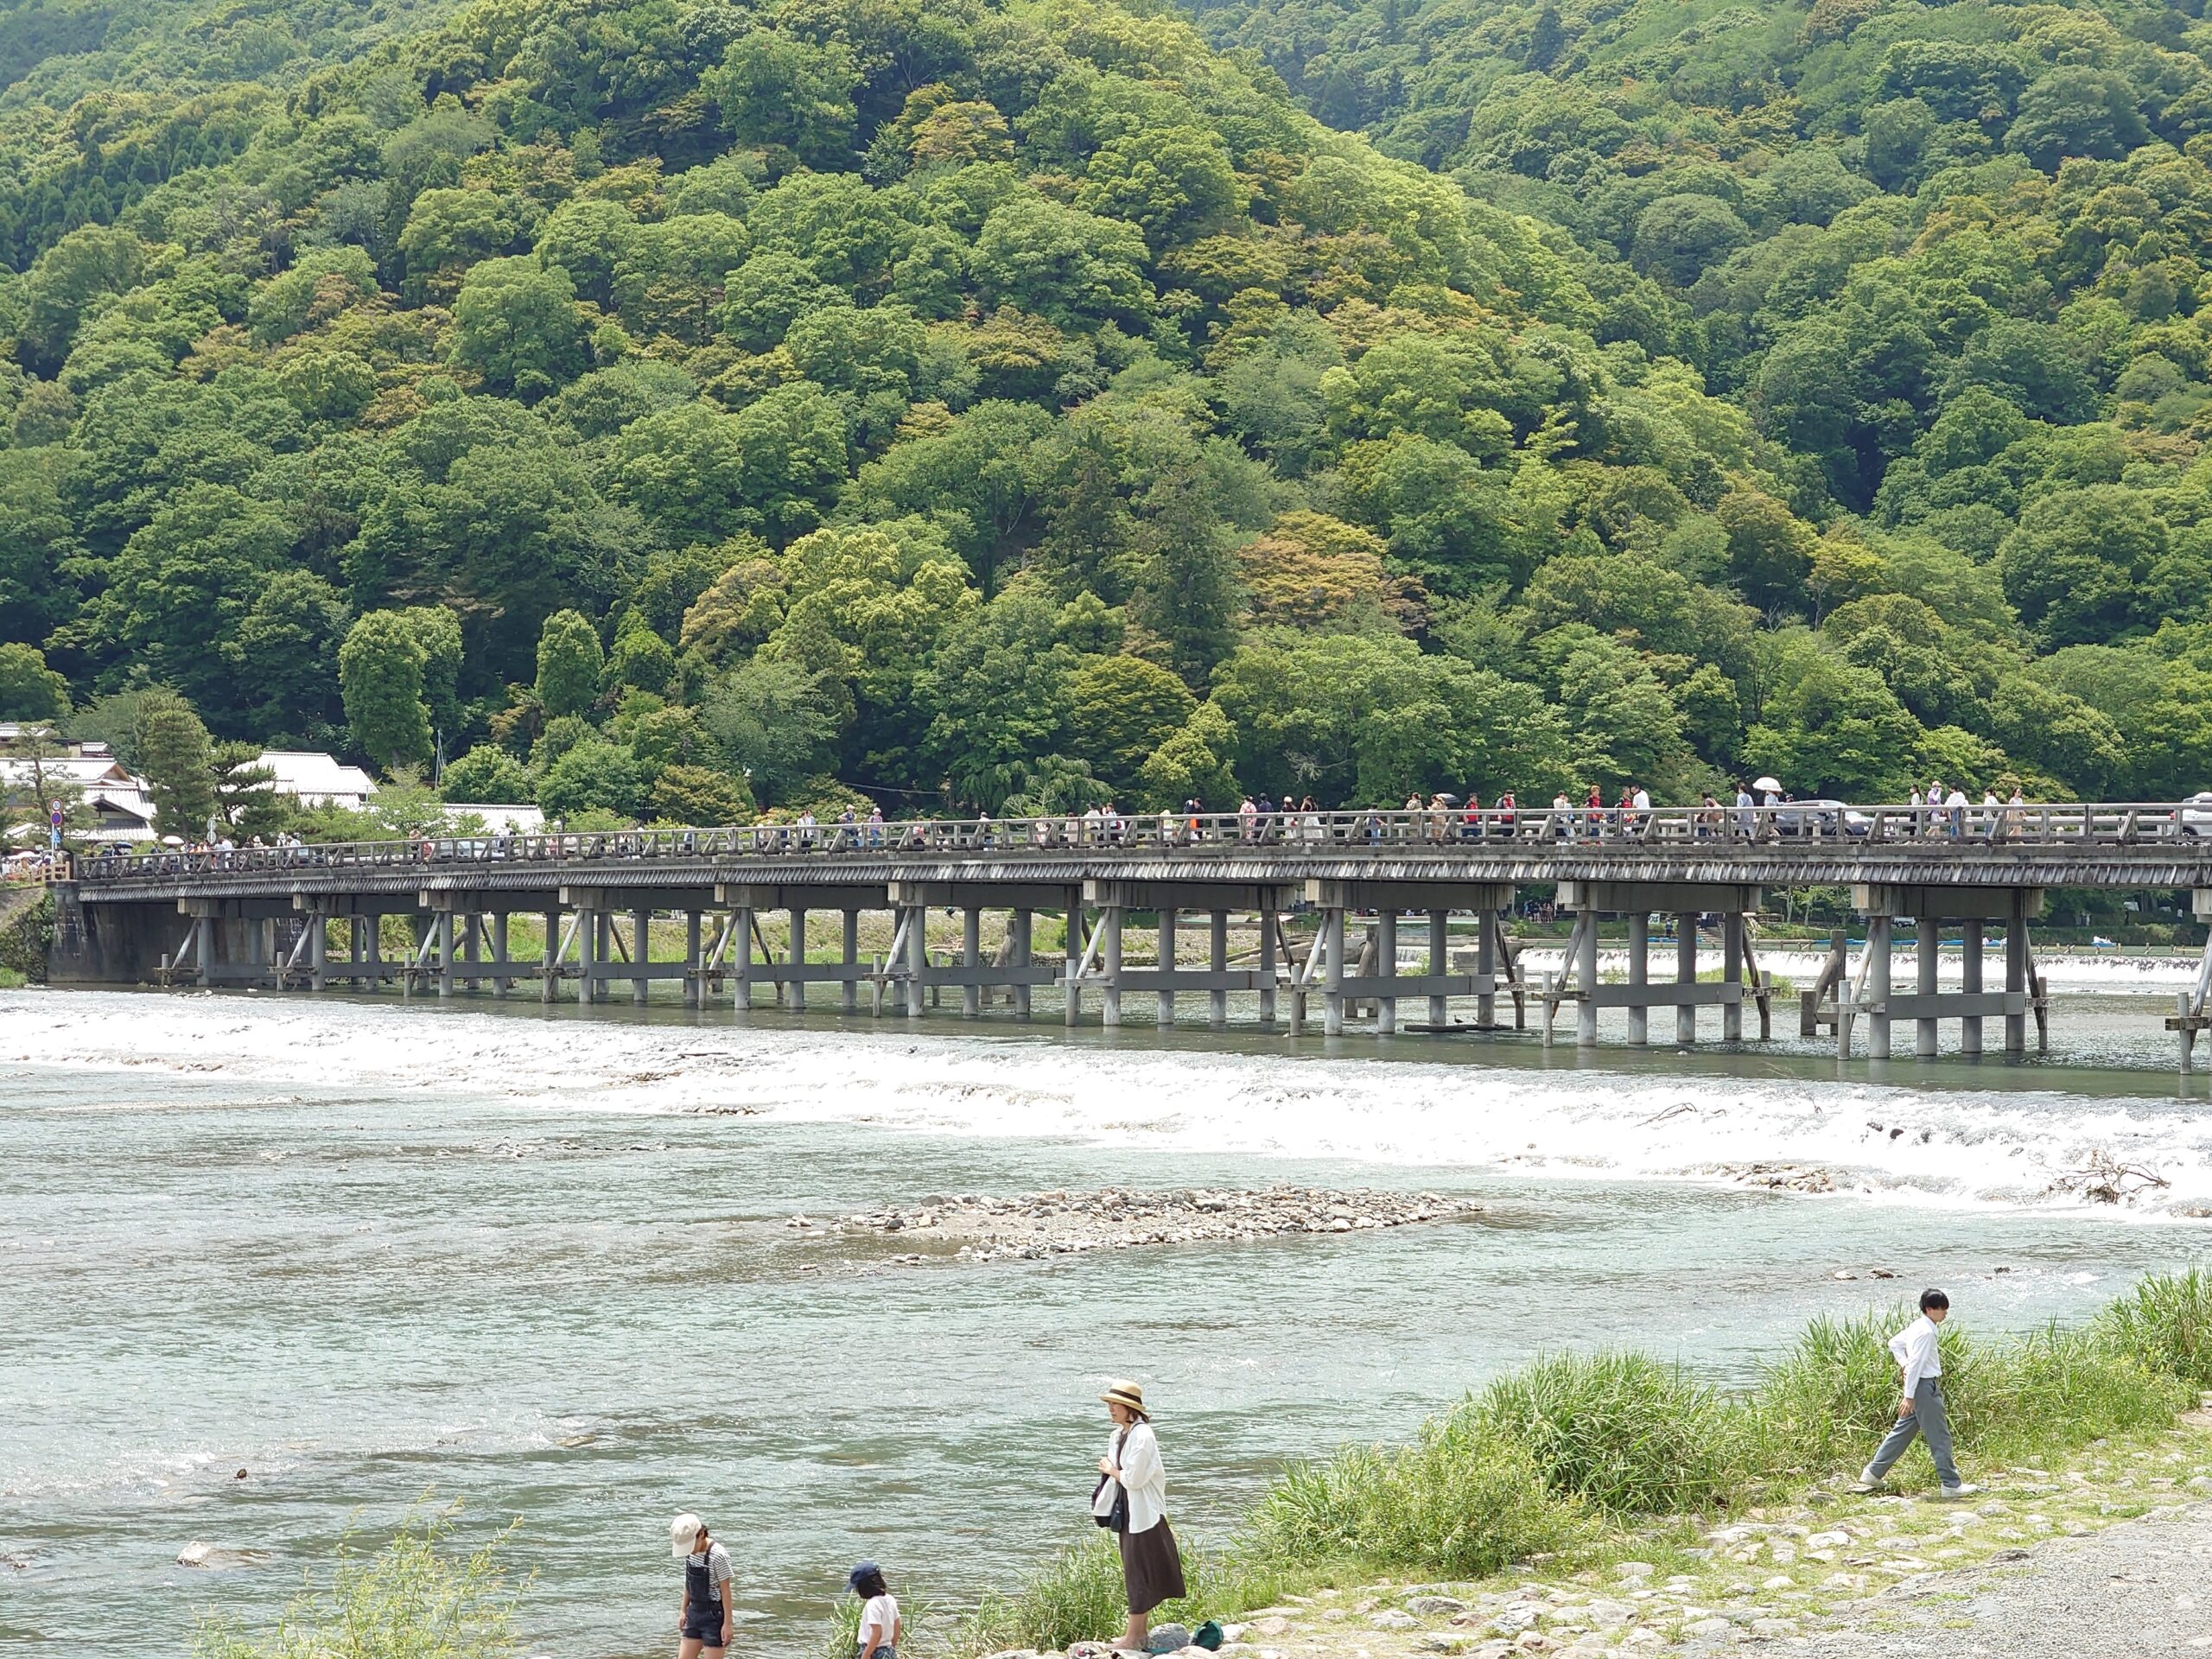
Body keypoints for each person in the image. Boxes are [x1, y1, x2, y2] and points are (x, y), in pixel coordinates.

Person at [1854, 1290, 1980, 1498]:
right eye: (1943, 1309)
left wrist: (1902, 1364)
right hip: (1923, 1389)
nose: (1946, 1313)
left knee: (1902, 1432)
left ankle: (1873, 1473)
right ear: (1930, 1309)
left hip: (1918, 1388)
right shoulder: (1926, 1332)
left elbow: (1894, 1343)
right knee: (1939, 1436)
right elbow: (1916, 1366)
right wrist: (1908, 1396)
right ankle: (1950, 1484)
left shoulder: (1918, 1325)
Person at [1093, 1380, 1184, 1652]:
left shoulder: (1143, 1436)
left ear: (1129, 1407)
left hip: (1144, 1514)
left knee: (1138, 1571)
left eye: (1114, 1404)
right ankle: (1138, 1633)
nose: (1110, 1408)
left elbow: (1133, 1479)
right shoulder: (1119, 1435)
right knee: (1135, 1569)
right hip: (1129, 1512)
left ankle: (1134, 1637)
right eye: (1109, 1404)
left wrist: (1111, 1470)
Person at [671, 1512, 734, 1658]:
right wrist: (683, 1610)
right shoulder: (690, 1554)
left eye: (690, 1546)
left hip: (713, 1617)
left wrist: (728, 1624)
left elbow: (726, 1592)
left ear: (702, 1534)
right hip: (694, 1613)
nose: (690, 1551)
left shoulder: (719, 1555)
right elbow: (688, 1583)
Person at [847, 1561, 899, 1659]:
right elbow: (897, 1625)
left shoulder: (872, 1604)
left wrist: (866, 1655)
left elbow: (877, 1632)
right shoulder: (890, 1599)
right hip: (888, 1650)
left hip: (873, 1651)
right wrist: (891, 1647)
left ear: (864, 1587)